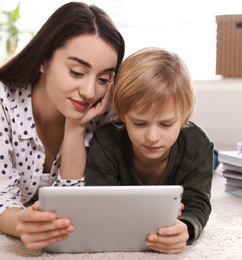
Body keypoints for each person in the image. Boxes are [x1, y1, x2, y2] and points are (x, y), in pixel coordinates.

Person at [0, 2, 125, 251]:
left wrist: (75, 126)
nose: (89, 92)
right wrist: (22, 223)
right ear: (43, 60)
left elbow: (73, 203)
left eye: (103, 78)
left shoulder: (104, 107)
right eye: (76, 72)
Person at [84, 47, 214, 254]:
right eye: (140, 124)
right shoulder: (106, 142)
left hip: (192, 154)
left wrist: (186, 227)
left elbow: (198, 203)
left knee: (211, 161)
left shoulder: (198, 146)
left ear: (184, 118)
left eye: (165, 124)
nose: (152, 137)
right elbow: (99, 205)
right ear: (122, 115)